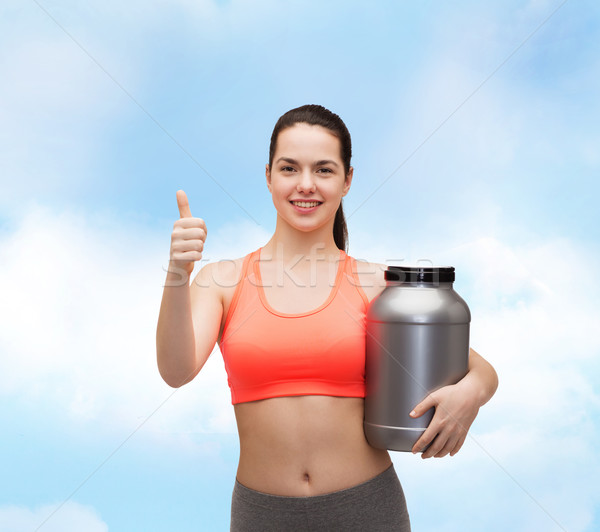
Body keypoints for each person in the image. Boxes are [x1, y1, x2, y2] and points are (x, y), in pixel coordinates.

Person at [156, 104, 499, 531]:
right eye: (289, 168)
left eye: (323, 169)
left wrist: (473, 395)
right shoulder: (221, 281)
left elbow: (475, 367)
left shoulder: (375, 284)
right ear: (268, 176)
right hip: (262, 516)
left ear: (347, 180)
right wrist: (177, 273)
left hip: (368, 509)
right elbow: (176, 370)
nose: (305, 185)